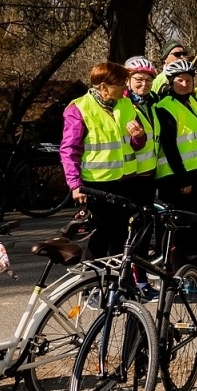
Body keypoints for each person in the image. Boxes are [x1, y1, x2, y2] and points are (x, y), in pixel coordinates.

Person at [61, 62, 148, 260]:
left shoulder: (126, 104)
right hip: (96, 184)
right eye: (120, 83)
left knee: (121, 236)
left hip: (125, 181)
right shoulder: (79, 108)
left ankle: (116, 285)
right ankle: (90, 283)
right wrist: (75, 185)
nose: (125, 87)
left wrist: (139, 136)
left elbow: (137, 143)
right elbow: (69, 150)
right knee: (100, 235)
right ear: (103, 86)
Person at [153, 57, 197, 268]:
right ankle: (172, 270)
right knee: (176, 229)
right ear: (170, 81)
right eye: (180, 80)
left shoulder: (191, 102)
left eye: (188, 80)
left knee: (191, 226)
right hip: (175, 178)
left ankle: (189, 271)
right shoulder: (165, 106)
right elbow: (169, 145)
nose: (184, 84)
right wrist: (182, 177)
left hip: (193, 174)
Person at [121, 57, 162, 209]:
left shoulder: (153, 102)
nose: (144, 84)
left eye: (149, 80)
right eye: (139, 79)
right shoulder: (122, 103)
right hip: (130, 174)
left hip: (150, 172)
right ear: (127, 80)